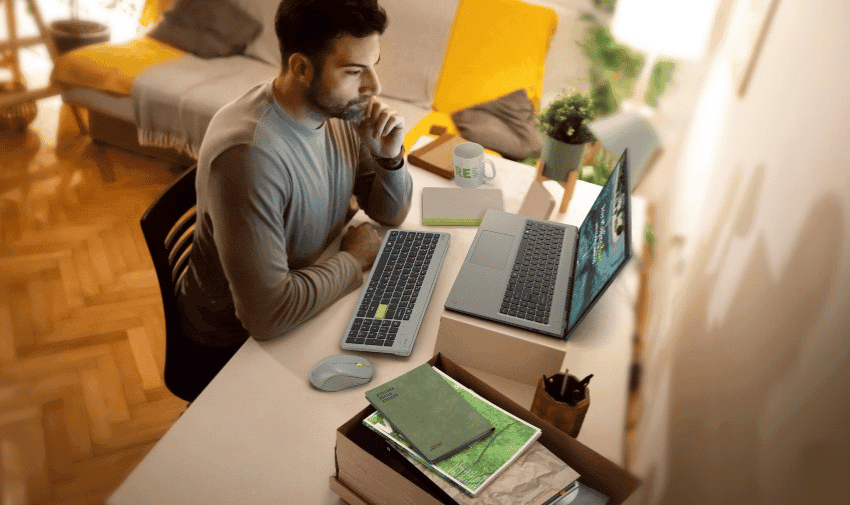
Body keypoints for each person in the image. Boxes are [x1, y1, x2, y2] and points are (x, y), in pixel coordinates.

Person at [176, 0, 412, 364]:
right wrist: (354, 259)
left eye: (373, 66)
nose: (373, 86)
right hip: (234, 348)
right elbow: (266, 315)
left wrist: (389, 159)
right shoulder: (249, 156)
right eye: (354, 71)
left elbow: (390, 214)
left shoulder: (340, 110)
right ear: (301, 68)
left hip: (310, 292)